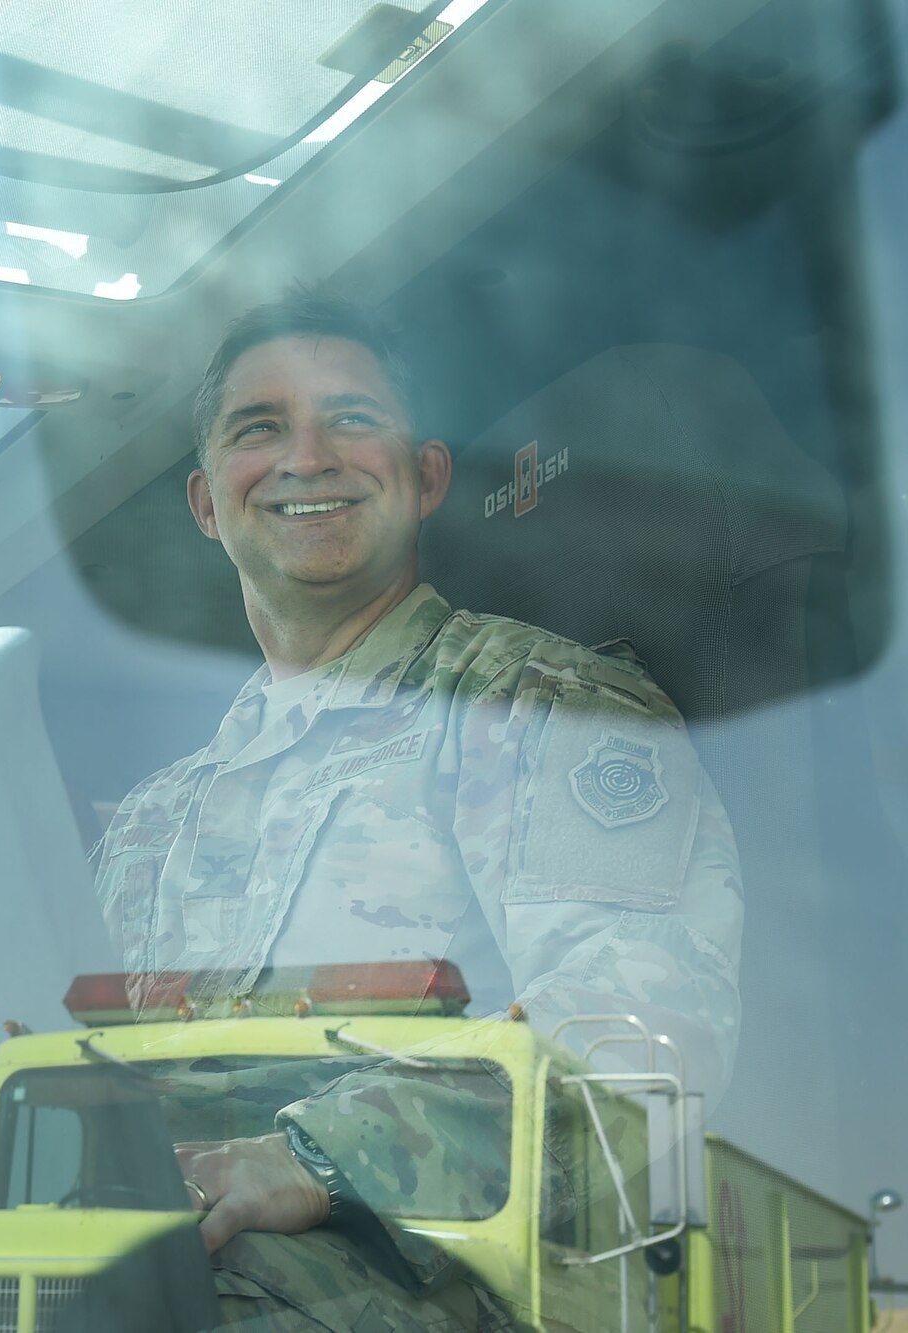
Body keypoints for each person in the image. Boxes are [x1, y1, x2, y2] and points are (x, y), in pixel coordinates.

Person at [90, 288, 744, 1328]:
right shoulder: (149, 824)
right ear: (206, 502)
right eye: (259, 429)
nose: (307, 456)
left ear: (426, 476)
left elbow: (641, 1048)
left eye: (351, 419)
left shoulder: (543, 713)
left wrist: (314, 1157)